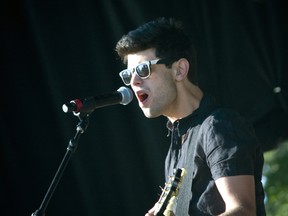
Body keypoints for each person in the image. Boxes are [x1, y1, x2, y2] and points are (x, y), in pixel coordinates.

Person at [115, 17, 266, 216]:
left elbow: (243, 211)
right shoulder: (176, 145)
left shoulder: (219, 125)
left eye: (143, 70)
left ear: (179, 70)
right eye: (128, 74)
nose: (133, 82)